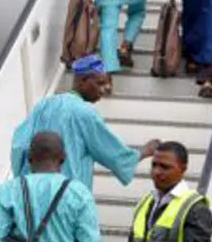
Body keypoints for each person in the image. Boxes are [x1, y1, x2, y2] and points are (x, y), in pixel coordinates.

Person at [11, 55, 158, 191]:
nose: (105, 89)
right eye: (100, 83)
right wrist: (144, 151)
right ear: (83, 81)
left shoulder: (43, 105)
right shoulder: (85, 113)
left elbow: (19, 146)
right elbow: (112, 153)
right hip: (68, 196)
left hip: (33, 192)